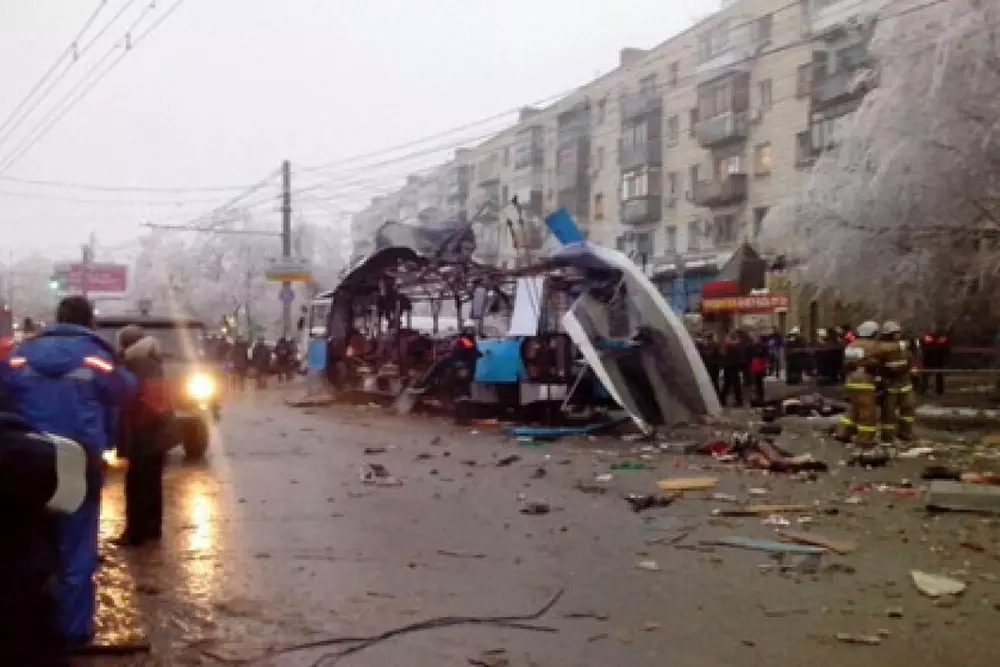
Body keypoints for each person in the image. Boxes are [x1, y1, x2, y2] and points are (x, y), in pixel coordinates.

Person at [0, 296, 137, 647]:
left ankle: (28, 624)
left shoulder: (21, 354)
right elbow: (125, 390)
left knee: (26, 539)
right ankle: (74, 630)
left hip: (25, 459)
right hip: (78, 460)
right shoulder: (96, 356)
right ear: (89, 321)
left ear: (57, 319)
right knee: (77, 545)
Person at [114, 326, 173, 547]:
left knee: (136, 484)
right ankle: (152, 529)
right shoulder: (153, 362)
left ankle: (135, 534)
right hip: (159, 431)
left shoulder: (132, 365)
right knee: (153, 483)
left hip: (142, 432)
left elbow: (126, 399)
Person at [834, 320, 882, 448]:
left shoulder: (851, 345)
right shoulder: (873, 345)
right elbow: (880, 361)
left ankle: (842, 432)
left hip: (851, 380)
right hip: (865, 381)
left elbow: (846, 363)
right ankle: (865, 439)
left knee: (854, 408)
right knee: (867, 412)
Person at [719, 331, 745, 407]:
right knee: (733, 383)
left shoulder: (730, 344)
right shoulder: (738, 344)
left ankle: (723, 400)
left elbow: (723, 353)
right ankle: (737, 400)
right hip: (733, 366)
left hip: (730, 366)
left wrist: (727, 340)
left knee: (730, 384)